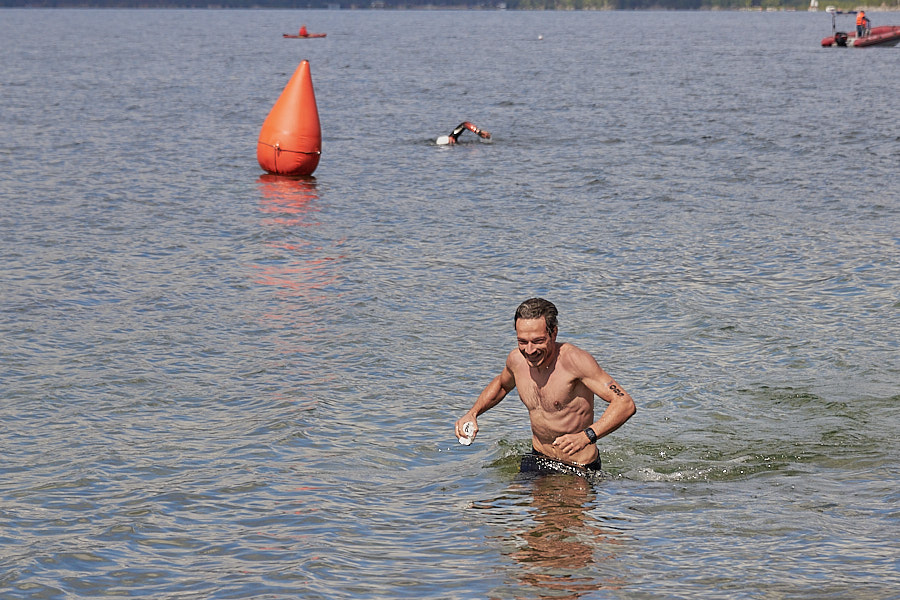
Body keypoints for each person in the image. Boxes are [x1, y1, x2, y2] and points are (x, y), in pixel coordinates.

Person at [454, 298, 636, 472]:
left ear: (553, 333)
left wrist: (586, 436)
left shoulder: (575, 361)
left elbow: (624, 404)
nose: (530, 350)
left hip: (578, 466)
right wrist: (473, 413)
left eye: (538, 341)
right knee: (491, 502)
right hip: (539, 458)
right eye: (522, 342)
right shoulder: (516, 360)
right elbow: (502, 385)